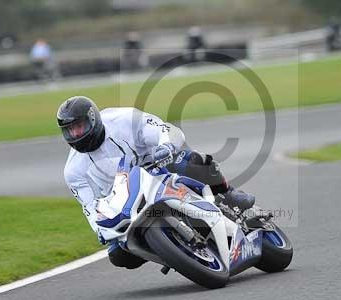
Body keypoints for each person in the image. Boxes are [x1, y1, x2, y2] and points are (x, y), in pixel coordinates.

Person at [58, 96, 255, 269]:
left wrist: (166, 146)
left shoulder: (124, 119)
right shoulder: (73, 170)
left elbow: (164, 130)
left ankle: (228, 193)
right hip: (125, 201)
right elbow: (89, 206)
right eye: (70, 130)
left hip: (158, 166)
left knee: (195, 161)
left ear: (93, 119)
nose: (75, 134)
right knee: (118, 255)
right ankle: (171, 251)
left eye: (79, 127)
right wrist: (98, 229)